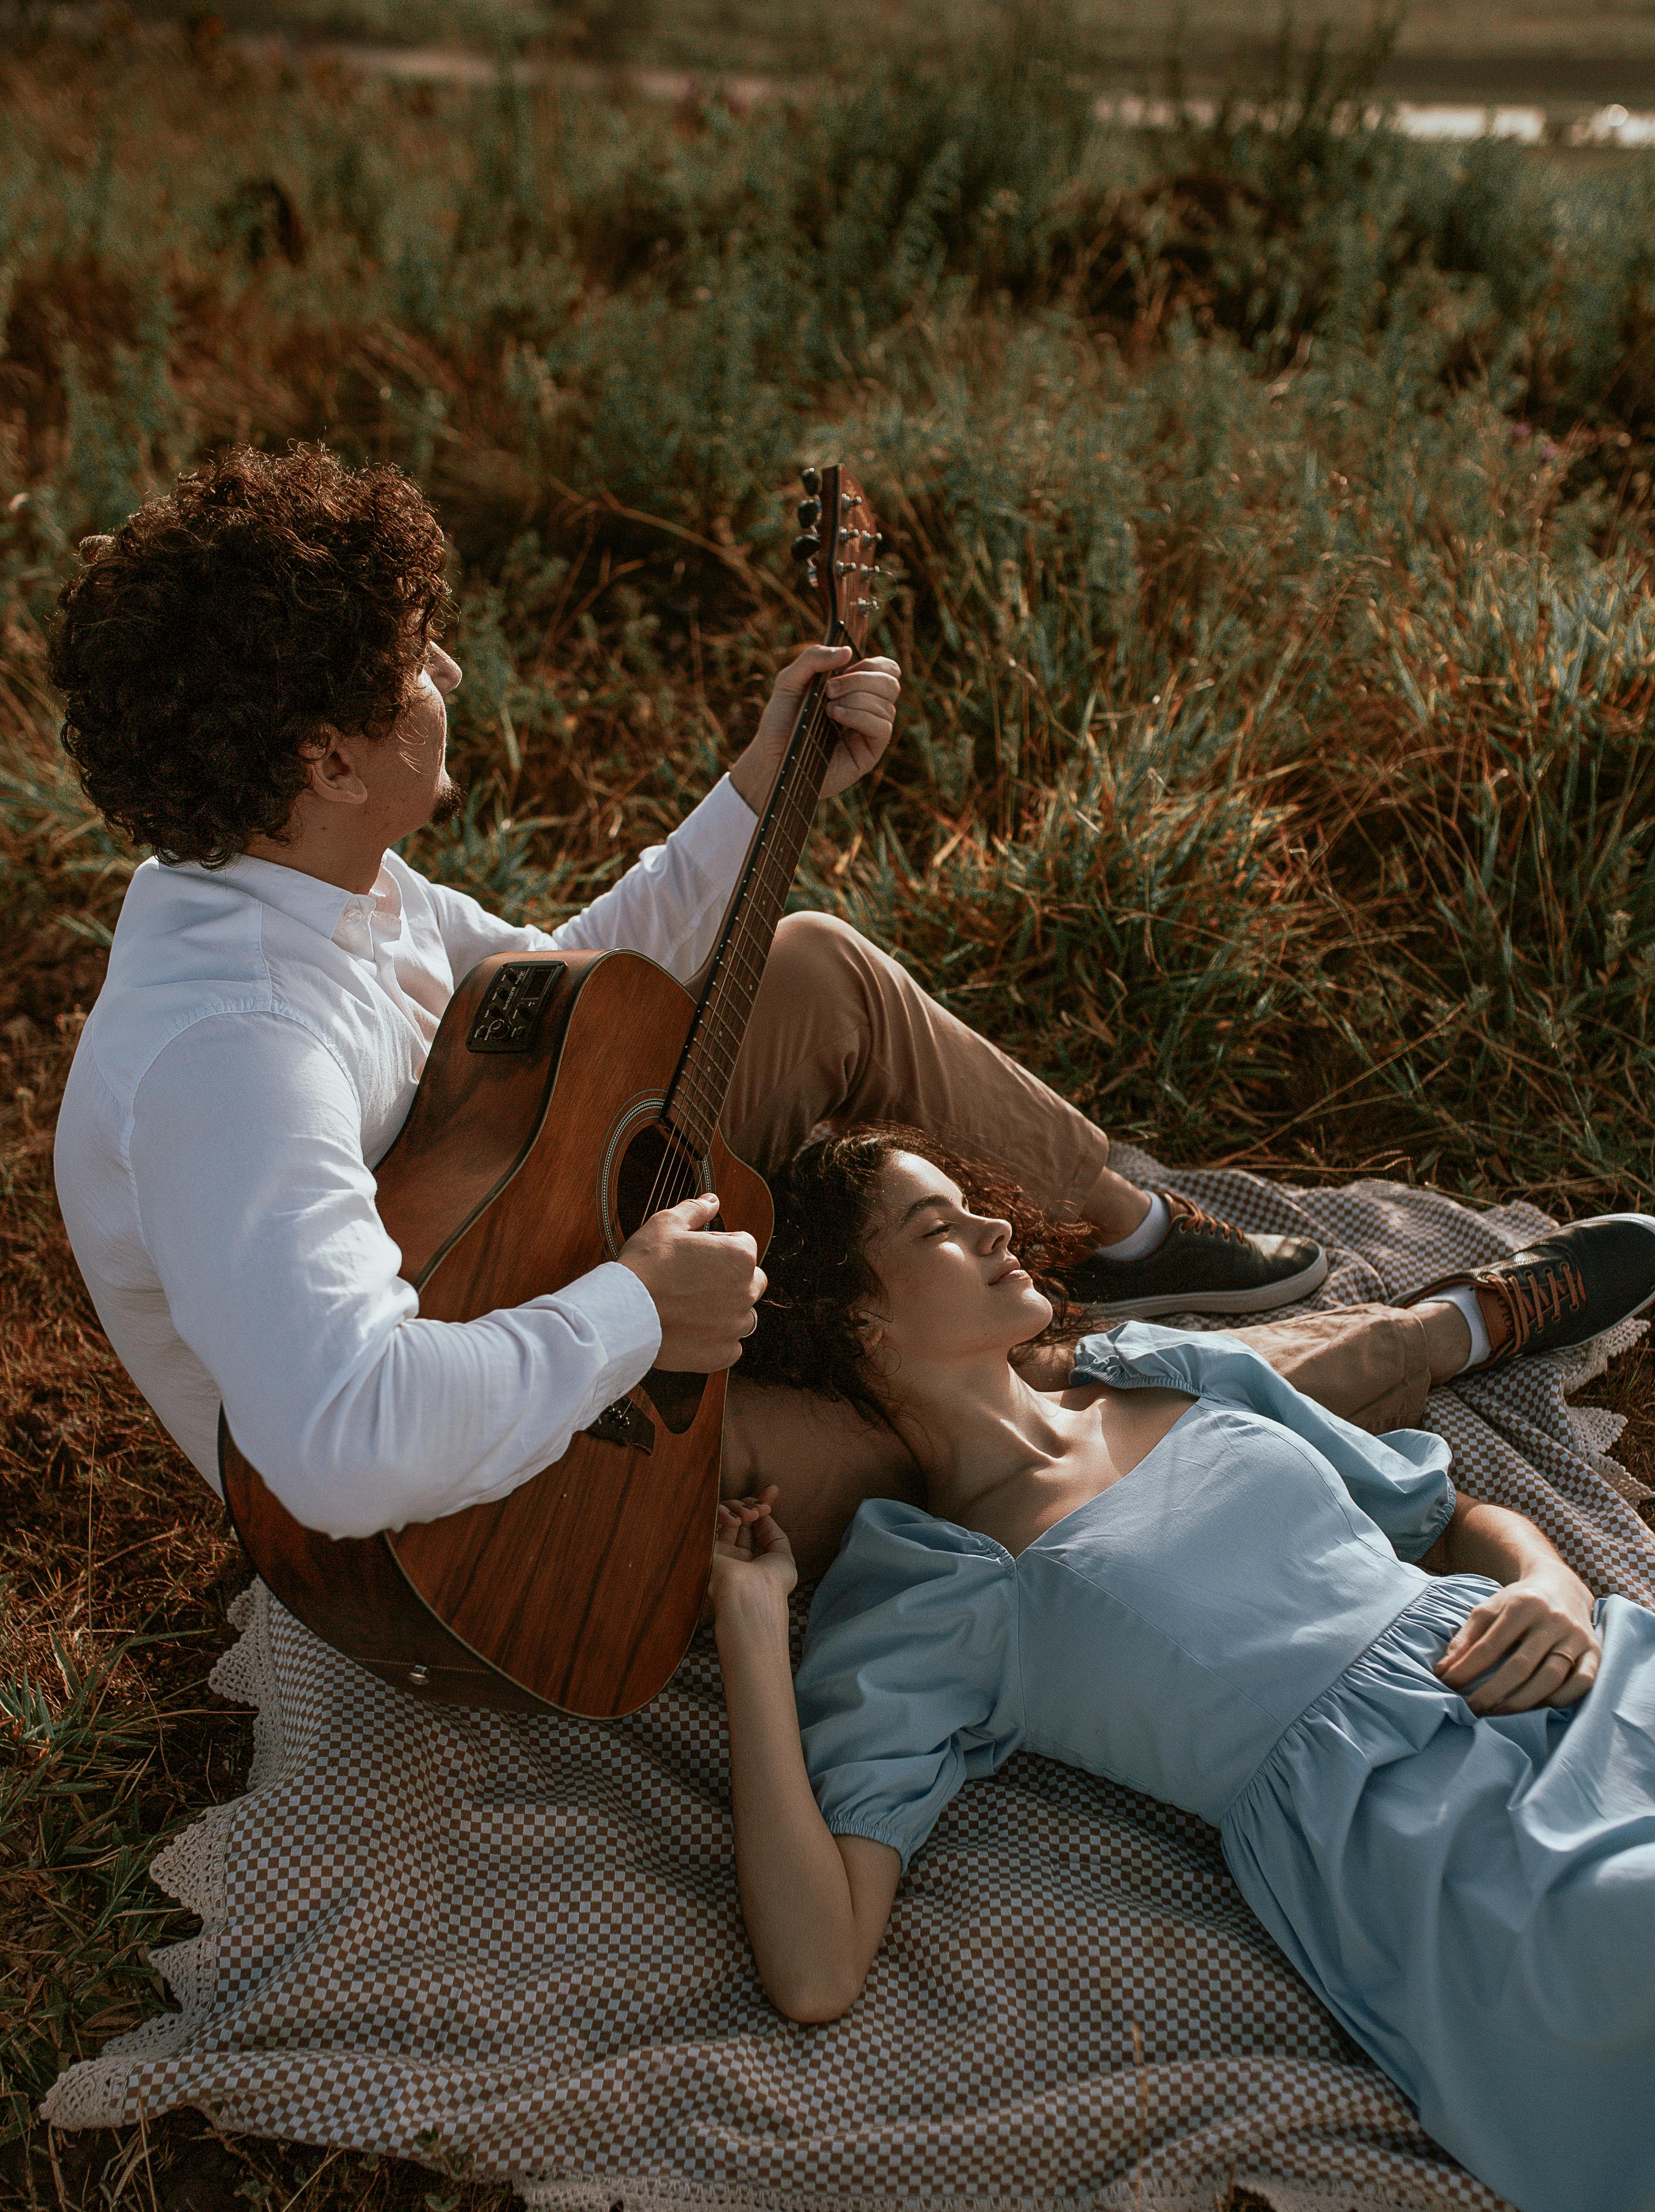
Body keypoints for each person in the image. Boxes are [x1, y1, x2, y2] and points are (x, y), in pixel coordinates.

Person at [41, 441, 1653, 1554]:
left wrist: (762, 776)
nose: (447, 676)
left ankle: (1131, 1233)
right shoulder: (235, 1050)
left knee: (801, 963)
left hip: (500, 1266)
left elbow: (567, 993)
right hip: (469, 1516)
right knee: (985, 1435)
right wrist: (632, 1313)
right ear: (325, 756)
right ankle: (1424, 1334)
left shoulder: (303, 876)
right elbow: (339, 1446)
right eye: (413, 660)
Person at [707, 1126, 1655, 2212]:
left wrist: (1547, 1579)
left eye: (973, 1206)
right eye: (940, 1229)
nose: (997, 1227)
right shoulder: (933, 1586)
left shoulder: (1170, 1368)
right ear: (862, 1321)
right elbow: (816, 1967)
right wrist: (756, 1626)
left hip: (1567, 1677)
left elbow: (1441, 1520)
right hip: (1427, 1830)